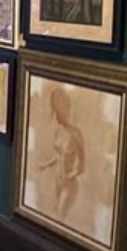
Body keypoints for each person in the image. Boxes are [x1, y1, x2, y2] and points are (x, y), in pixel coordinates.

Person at [38, 85, 85, 219]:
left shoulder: (76, 134)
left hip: (69, 184)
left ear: (65, 110)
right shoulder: (59, 131)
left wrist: (69, 176)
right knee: (54, 216)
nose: (55, 117)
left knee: (60, 217)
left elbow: (82, 166)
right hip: (57, 181)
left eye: (57, 113)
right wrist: (45, 165)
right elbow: (60, 156)